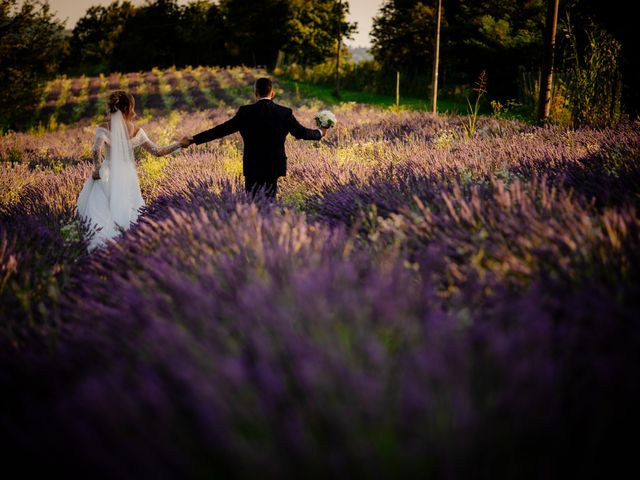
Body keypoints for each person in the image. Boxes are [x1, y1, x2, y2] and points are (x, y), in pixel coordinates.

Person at [180, 77, 327, 199]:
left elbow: (220, 130)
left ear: (255, 93)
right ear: (273, 93)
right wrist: (320, 132)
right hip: (273, 166)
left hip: (253, 166)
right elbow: (302, 133)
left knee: (252, 203)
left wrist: (193, 139)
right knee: (269, 202)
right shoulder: (284, 113)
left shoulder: (245, 112)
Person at [77, 90, 183, 251]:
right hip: (127, 176)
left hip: (108, 174)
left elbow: (95, 149)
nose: (134, 111)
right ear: (127, 109)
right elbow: (158, 152)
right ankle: (128, 248)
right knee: (129, 210)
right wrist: (180, 143)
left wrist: (98, 170)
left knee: (100, 214)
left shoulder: (104, 127)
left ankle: (100, 248)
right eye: (133, 107)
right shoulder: (136, 131)